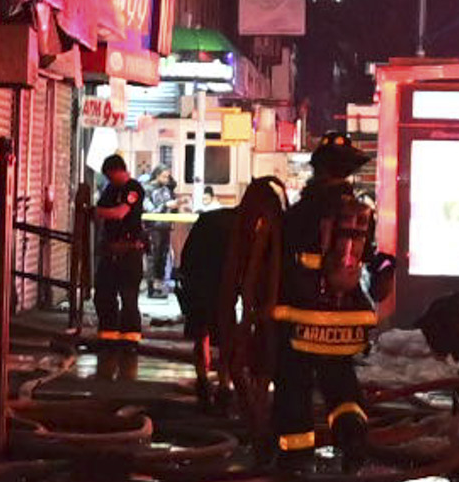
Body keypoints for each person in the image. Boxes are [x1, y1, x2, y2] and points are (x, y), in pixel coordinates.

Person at [260, 148, 388, 461]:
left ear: (319, 170)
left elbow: (277, 255)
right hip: (346, 318)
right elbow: (367, 255)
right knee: (341, 383)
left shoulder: (303, 211)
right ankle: (353, 439)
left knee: (294, 384)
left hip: (301, 315)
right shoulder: (360, 212)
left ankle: (296, 456)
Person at [172, 176, 263, 415]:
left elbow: (189, 254)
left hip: (198, 284)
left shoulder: (212, 219)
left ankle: (203, 382)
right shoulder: (245, 229)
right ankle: (224, 386)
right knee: (225, 339)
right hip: (222, 289)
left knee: (201, 334)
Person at [82, 158, 152, 365]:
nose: (109, 179)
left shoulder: (134, 188)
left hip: (129, 251)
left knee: (128, 297)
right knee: (104, 294)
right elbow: (102, 211)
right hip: (110, 250)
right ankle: (108, 336)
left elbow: (120, 213)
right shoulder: (110, 190)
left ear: (118, 171)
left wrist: (94, 211)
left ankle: (130, 340)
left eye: (110, 175)